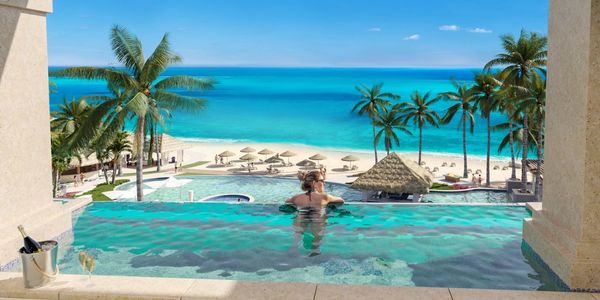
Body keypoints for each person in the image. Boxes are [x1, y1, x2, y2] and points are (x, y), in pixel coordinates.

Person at [285, 170, 344, 256]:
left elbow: (287, 201)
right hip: (317, 220)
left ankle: (293, 253)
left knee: (296, 240)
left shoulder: (297, 198)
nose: (324, 183)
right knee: (317, 240)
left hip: (300, 219)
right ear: (314, 183)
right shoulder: (325, 197)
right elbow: (341, 200)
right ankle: (314, 253)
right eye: (322, 181)